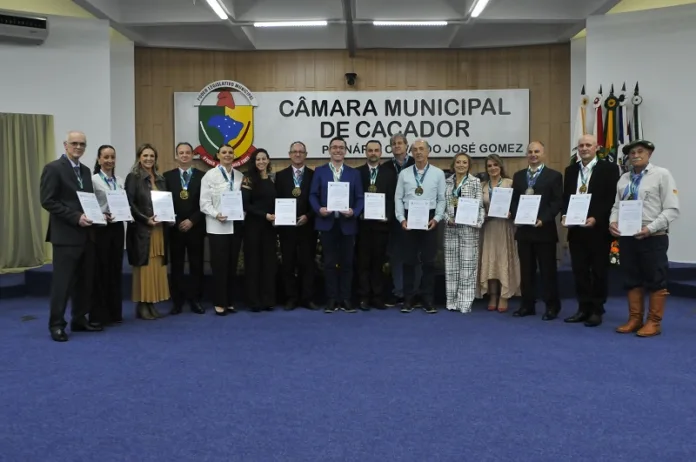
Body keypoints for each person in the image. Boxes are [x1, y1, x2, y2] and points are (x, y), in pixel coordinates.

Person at [610, 139, 679, 337]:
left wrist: (650, 228)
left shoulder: (661, 175)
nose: (635, 155)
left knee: (656, 279)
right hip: (628, 237)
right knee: (631, 278)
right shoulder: (624, 179)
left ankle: (654, 322)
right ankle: (635, 318)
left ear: (649, 154)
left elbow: (672, 209)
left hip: (653, 237)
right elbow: (617, 206)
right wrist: (613, 222)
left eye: (640, 151)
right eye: (631, 153)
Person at [39, 130, 104, 342]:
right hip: (65, 236)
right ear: (65, 145)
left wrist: (100, 214)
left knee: (84, 282)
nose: (78, 147)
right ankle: (56, 324)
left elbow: (87, 200)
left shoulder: (85, 171)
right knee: (63, 284)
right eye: (74, 143)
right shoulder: (53, 168)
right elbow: (48, 201)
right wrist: (76, 217)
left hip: (87, 236)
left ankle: (79, 319)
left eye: (82, 144)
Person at [561, 134, 620, 327]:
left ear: (596, 148)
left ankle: (597, 309)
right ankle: (583, 308)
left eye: (588, 145)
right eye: (581, 145)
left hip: (598, 229)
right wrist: (564, 215)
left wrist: (596, 218)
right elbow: (566, 198)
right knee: (579, 271)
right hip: (576, 229)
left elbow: (610, 198)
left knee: (598, 271)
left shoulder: (609, 169)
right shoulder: (570, 170)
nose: (584, 148)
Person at [309, 136, 364, 313]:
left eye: (341, 147)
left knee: (347, 263)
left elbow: (360, 198)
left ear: (345, 151)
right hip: (327, 224)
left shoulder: (354, 173)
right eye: (334, 147)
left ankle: (346, 299)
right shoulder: (320, 171)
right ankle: (332, 299)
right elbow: (312, 195)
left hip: (347, 224)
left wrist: (354, 212)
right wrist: (319, 210)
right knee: (330, 264)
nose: (338, 150)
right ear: (329, 150)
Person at [510, 141, 563, 320]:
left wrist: (543, 219)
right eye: (530, 152)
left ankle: (552, 306)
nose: (533, 154)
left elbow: (556, 202)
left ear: (543, 154)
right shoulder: (518, 176)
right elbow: (514, 201)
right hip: (524, 231)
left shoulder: (554, 176)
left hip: (544, 230)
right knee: (526, 271)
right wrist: (517, 216)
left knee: (548, 271)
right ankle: (527, 305)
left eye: (537, 152)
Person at [395, 139, 446, 313]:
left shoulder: (438, 174)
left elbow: (442, 199)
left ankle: (427, 299)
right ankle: (408, 299)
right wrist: (401, 218)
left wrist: (437, 218)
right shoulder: (405, 174)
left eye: (421, 149)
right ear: (411, 153)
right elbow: (398, 198)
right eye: (415, 149)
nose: (418, 152)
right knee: (408, 261)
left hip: (430, 219)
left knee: (429, 262)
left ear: (428, 152)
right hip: (409, 219)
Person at [125, 144, 171, 320]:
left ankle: (151, 303)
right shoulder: (133, 178)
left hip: (159, 230)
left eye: (152, 156)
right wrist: (145, 219)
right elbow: (130, 203)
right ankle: (142, 304)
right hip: (143, 230)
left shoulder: (160, 178)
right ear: (139, 157)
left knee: (156, 267)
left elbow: (165, 201)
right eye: (145, 155)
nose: (149, 159)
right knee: (145, 268)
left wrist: (169, 215)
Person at [200, 144, 245, 316]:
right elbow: (204, 203)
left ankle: (230, 301)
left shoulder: (240, 176)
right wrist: (216, 214)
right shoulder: (209, 176)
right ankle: (219, 302)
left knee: (232, 266)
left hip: (235, 227)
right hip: (217, 227)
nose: (227, 155)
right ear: (217, 155)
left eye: (230, 152)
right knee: (219, 266)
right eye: (224, 152)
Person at [163, 142, 206, 315]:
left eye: (188, 153)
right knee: (177, 266)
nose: (184, 155)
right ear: (176, 156)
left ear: (193, 155)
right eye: (181, 153)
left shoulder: (203, 177)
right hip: (175, 227)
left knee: (196, 265)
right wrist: (177, 219)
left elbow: (205, 202)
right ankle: (177, 301)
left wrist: (192, 221)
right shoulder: (167, 177)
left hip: (195, 227)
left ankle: (196, 300)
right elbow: (165, 202)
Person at [275, 141, 318, 311]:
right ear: (289, 154)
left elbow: (318, 200)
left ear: (306, 154)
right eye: (295, 151)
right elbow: (276, 200)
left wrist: (308, 216)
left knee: (308, 263)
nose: (298, 154)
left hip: (308, 226)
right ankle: (291, 297)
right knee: (288, 264)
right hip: (287, 229)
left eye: (301, 151)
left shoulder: (314, 175)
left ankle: (307, 298)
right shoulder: (281, 176)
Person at [356, 139, 397, 310]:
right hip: (362, 226)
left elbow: (393, 198)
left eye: (376, 150)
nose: (373, 153)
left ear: (381, 153)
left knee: (378, 263)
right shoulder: (357, 173)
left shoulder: (389, 173)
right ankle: (364, 297)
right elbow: (354, 197)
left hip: (381, 225)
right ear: (366, 152)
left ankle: (378, 297)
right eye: (370, 150)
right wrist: (359, 213)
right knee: (363, 262)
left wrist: (387, 215)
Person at [381, 132, 419, 306]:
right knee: (396, 256)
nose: (397, 146)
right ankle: (399, 292)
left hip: (414, 215)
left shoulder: (416, 164)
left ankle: (414, 292)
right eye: (394, 143)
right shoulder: (385, 167)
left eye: (400, 143)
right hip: (393, 218)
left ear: (406, 146)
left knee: (414, 256)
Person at [443, 153, 485, 313]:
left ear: (469, 165)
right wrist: (447, 218)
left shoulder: (475, 182)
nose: (461, 165)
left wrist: (478, 222)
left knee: (468, 266)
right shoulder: (446, 182)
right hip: (451, 228)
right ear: (453, 164)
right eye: (458, 162)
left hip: (469, 228)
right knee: (452, 266)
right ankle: (452, 301)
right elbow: (442, 204)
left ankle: (465, 303)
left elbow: (480, 207)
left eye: (464, 162)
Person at [479, 154, 520, 312]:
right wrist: (483, 215)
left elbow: (517, 204)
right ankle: (493, 295)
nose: (492, 168)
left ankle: (504, 295)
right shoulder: (482, 186)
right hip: (488, 228)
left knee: (504, 260)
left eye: (495, 165)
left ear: (501, 166)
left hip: (505, 227)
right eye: (489, 166)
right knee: (490, 261)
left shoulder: (510, 183)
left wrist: (512, 212)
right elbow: (478, 207)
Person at [91, 144, 125, 325]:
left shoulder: (119, 180)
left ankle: (115, 312)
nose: (110, 160)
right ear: (99, 159)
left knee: (115, 268)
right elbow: (89, 206)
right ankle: (99, 314)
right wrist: (101, 215)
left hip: (118, 228)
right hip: (101, 228)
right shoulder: (94, 180)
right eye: (106, 157)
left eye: (112, 157)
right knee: (101, 270)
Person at [242, 148, 278, 312]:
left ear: (268, 160)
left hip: (270, 229)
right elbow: (245, 205)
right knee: (253, 264)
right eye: (258, 159)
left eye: (264, 159)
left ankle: (268, 300)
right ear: (253, 162)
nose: (261, 162)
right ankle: (254, 301)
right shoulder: (248, 179)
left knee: (268, 264)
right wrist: (265, 215)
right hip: (253, 228)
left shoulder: (271, 180)